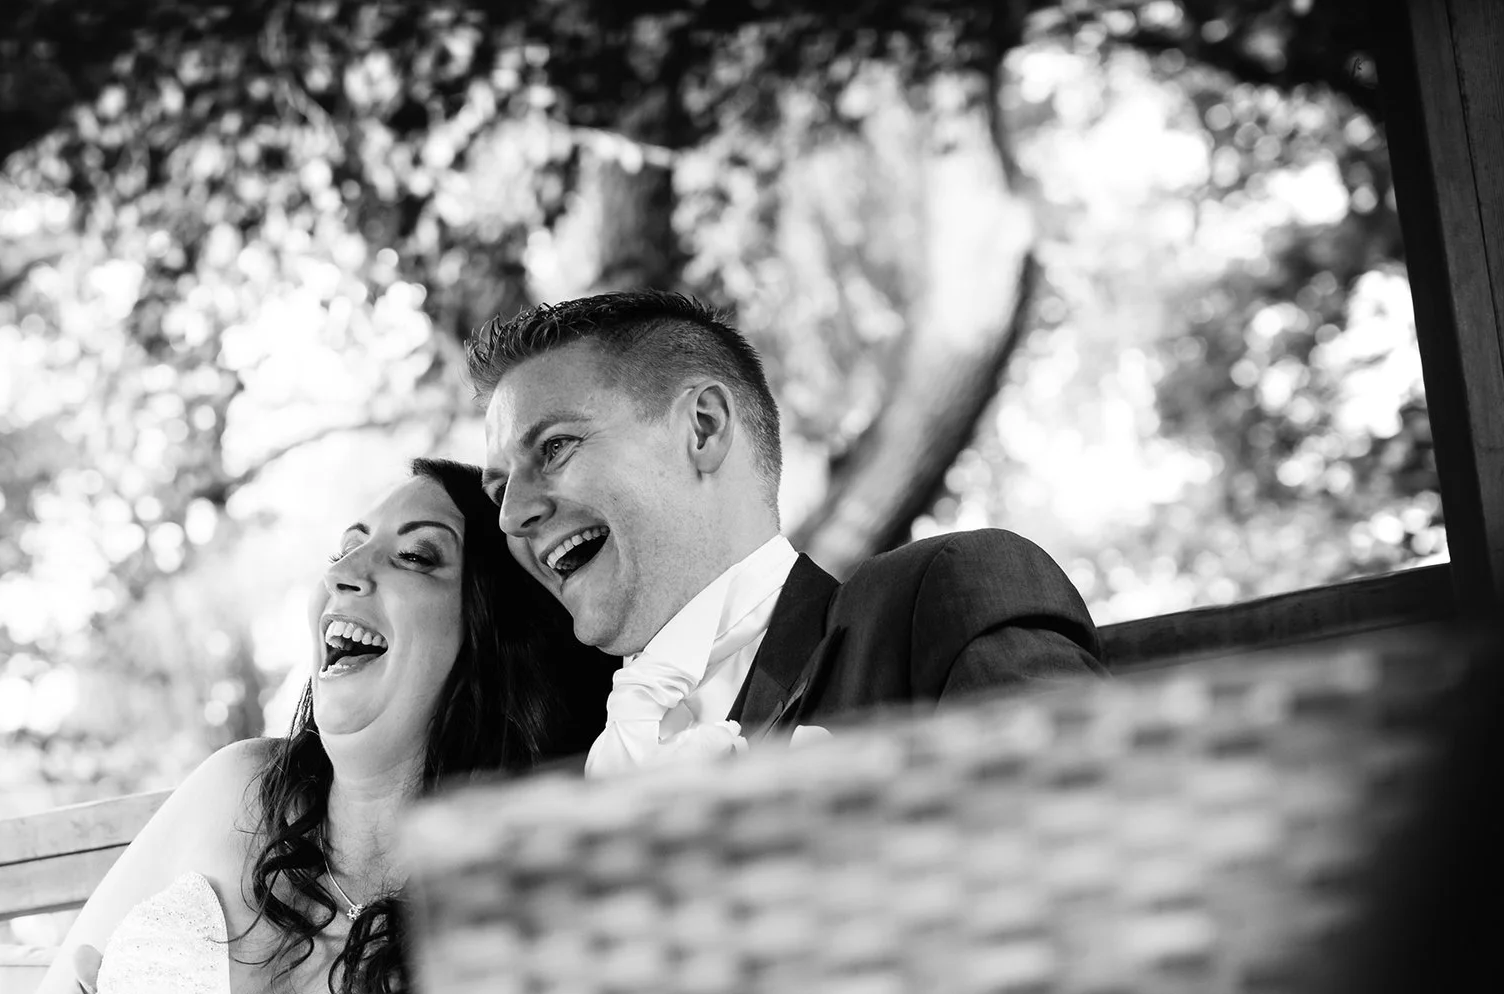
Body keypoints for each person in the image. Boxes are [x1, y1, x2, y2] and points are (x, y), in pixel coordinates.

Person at [0, 457, 611, 994]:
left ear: (499, 640)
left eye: (416, 557)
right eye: (346, 548)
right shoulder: (234, 786)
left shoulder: (530, 897)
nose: (346, 573)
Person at [469, 290, 1105, 775]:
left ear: (704, 427)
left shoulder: (942, 598)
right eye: (499, 490)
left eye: (553, 448)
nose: (511, 514)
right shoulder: (562, 756)